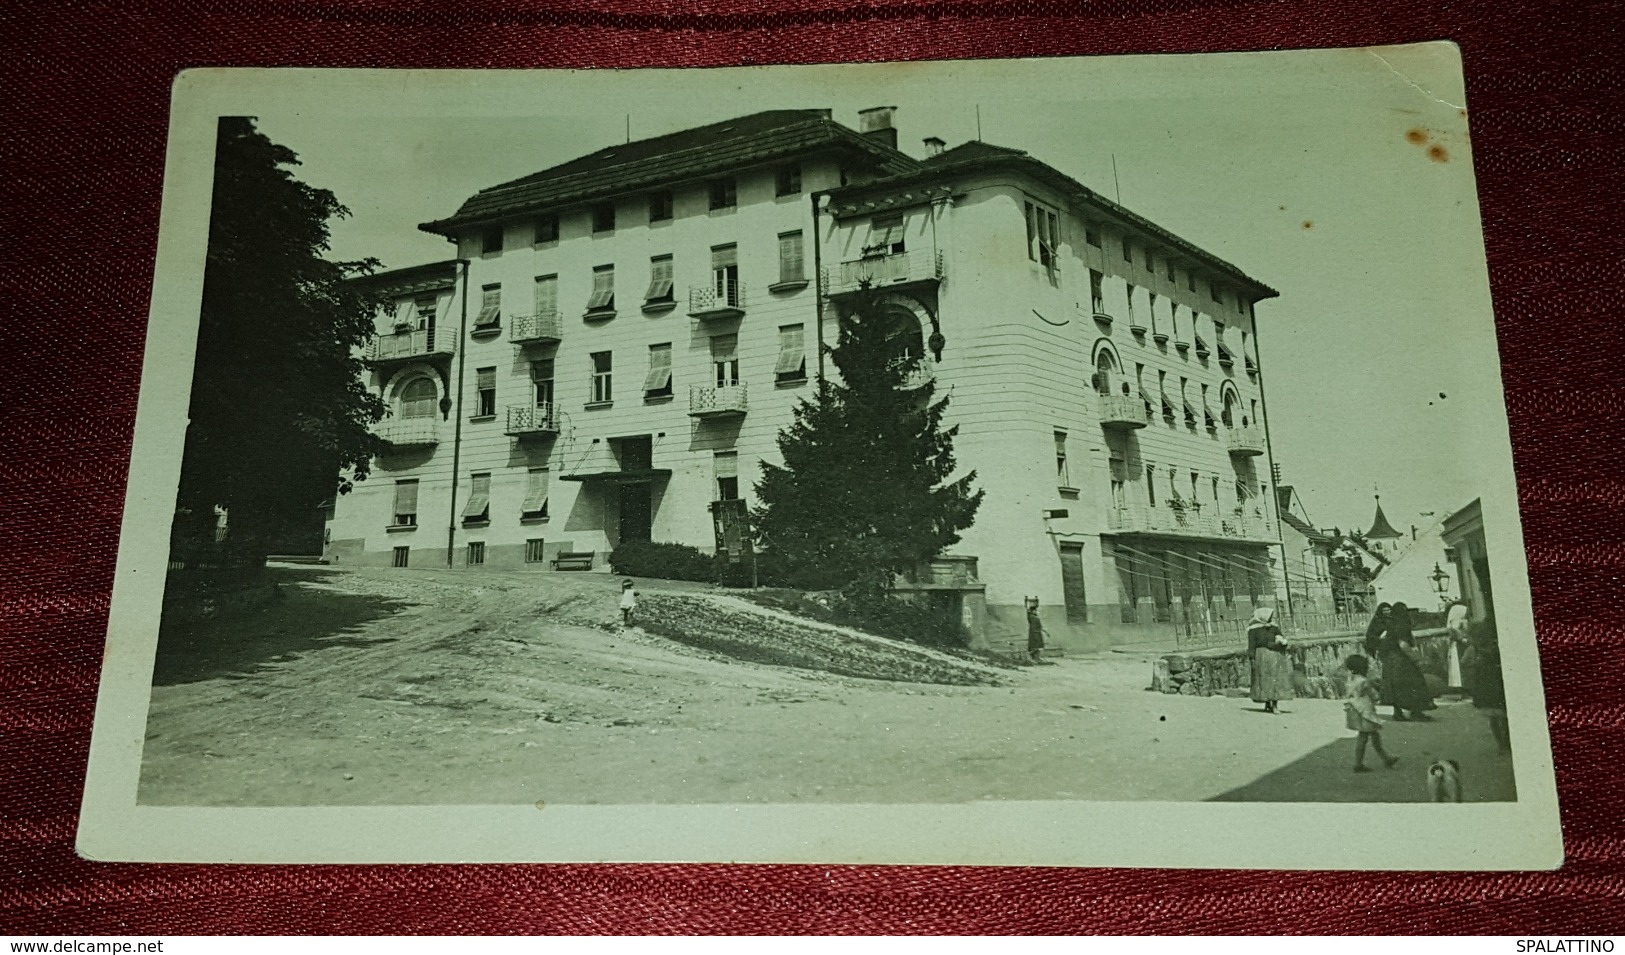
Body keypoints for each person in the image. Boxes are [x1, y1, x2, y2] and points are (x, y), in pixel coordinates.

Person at [1371, 601, 1437, 721]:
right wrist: (1416, 658)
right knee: (1414, 684)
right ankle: (1416, 712)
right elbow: (1403, 644)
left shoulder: (1391, 624)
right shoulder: (1402, 624)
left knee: (1395, 687)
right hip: (1401, 660)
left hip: (1391, 660)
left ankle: (1398, 713)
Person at [1344, 654, 1399, 773]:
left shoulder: (1350, 680)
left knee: (1371, 735)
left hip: (1356, 709)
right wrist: (1377, 696)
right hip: (1365, 711)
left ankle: (1385, 758)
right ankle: (1360, 763)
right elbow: (1373, 694)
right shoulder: (1363, 681)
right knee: (1366, 736)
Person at [1468, 611, 1510, 752]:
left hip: (1490, 684)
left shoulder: (1486, 647)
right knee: (1499, 716)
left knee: (1495, 716)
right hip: (1492, 683)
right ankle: (1503, 743)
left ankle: (1502, 743)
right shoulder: (1491, 645)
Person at [1247, 606, 1295, 714]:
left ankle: (1275, 705)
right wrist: (1252, 658)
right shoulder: (1254, 630)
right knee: (1264, 680)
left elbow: (1281, 638)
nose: (1270, 618)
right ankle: (1267, 703)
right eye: (1268, 616)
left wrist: (1282, 642)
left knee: (1275, 680)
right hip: (1261, 658)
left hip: (1275, 656)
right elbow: (1252, 645)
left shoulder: (1274, 628)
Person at [1446, 600, 1471, 694]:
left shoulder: (1457, 618)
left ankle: (1461, 686)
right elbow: (1456, 632)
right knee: (1459, 666)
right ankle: (1461, 687)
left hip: (1458, 645)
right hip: (1459, 645)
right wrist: (1463, 639)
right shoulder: (1457, 620)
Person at [1025, 597, 1046, 663]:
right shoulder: (1031, 617)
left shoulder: (1035, 617)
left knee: (1039, 646)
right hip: (1034, 633)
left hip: (1038, 632)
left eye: (1035, 610)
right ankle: (1030, 655)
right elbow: (1027, 611)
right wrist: (1027, 604)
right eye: (1034, 610)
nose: (1035, 611)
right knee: (1035, 646)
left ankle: (1037, 657)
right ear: (1031, 611)